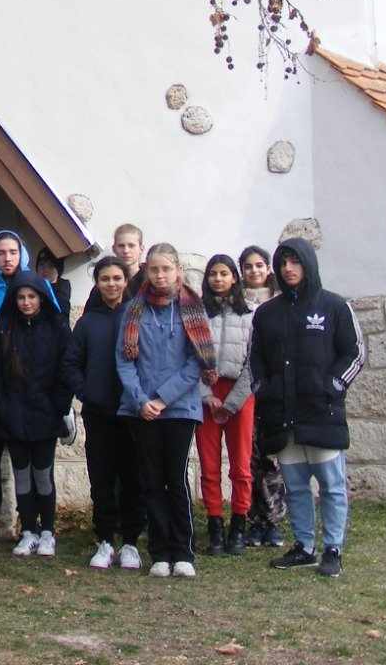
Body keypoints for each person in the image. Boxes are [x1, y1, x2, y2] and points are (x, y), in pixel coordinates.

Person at [250, 237, 363, 579]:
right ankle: (304, 546)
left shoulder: (334, 306)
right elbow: (255, 360)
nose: (288, 268)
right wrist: (264, 391)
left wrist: (332, 386)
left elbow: (354, 353)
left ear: (308, 264)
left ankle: (332, 548)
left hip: (322, 414)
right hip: (283, 418)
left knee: (331, 485)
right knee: (295, 487)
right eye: (283, 262)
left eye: (295, 261)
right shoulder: (267, 314)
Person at [115, 243, 217, 579]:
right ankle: (159, 551)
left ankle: (182, 550)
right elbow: (124, 361)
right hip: (141, 409)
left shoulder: (192, 309)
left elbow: (195, 363)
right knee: (151, 480)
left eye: (166, 269)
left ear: (177, 271)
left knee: (175, 479)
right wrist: (141, 399)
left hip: (179, 408)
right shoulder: (134, 310)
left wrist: (162, 398)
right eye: (154, 270)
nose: (160, 276)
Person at [0, 230, 59, 541]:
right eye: (0, 252)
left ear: (22, 255)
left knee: (33, 466)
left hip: (32, 390)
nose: (7, 258)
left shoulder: (37, 285)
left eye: (13, 252)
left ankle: (33, 524)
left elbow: (56, 332)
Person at [62, 256, 144, 570]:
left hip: (133, 412)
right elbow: (70, 364)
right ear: (97, 283)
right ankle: (105, 539)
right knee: (102, 478)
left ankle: (132, 542)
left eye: (117, 278)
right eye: (105, 279)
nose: (111, 284)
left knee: (132, 476)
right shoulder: (87, 322)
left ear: (126, 281)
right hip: (98, 414)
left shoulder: (137, 316)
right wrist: (86, 393)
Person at [0, 271, 73, 558]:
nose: (26, 302)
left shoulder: (57, 327)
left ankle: (47, 531)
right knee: (22, 476)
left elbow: (66, 370)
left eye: (31, 297)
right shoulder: (3, 329)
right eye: (20, 297)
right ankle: (28, 530)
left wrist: (59, 405)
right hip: (13, 416)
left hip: (46, 415)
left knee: (43, 475)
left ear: (41, 298)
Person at [198, 253, 255, 557]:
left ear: (235, 277)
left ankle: (239, 525)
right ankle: (215, 526)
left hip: (240, 394)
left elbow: (253, 363)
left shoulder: (250, 315)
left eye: (224, 273)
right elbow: (190, 358)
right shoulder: (198, 315)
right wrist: (207, 396)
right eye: (213, 274)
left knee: (241, 465)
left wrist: (231, 402)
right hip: (207, 394)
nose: (218, 279)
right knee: (209, 465)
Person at [239, 243, 287, 548]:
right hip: (245, 389)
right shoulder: (237, 302)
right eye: (248, 266)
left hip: (273, 389)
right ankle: (253, 520)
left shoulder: (280, 302)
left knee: (273, 460)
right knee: (249, 460)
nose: (254, 271)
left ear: (268, 269)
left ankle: (273, 520)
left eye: (259, 265)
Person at [35, 247, 73, 325]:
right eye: (41, 265)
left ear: (58, 269)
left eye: (50, 265)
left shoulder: (62, 290)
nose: (45, 269)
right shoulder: (32, 286)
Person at [112, 223, 146, 299]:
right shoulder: (107, 281)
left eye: (131, 246)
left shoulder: (150, 281)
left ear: (141, 249)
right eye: (121, 246)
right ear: (114, 249)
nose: (126, 251)